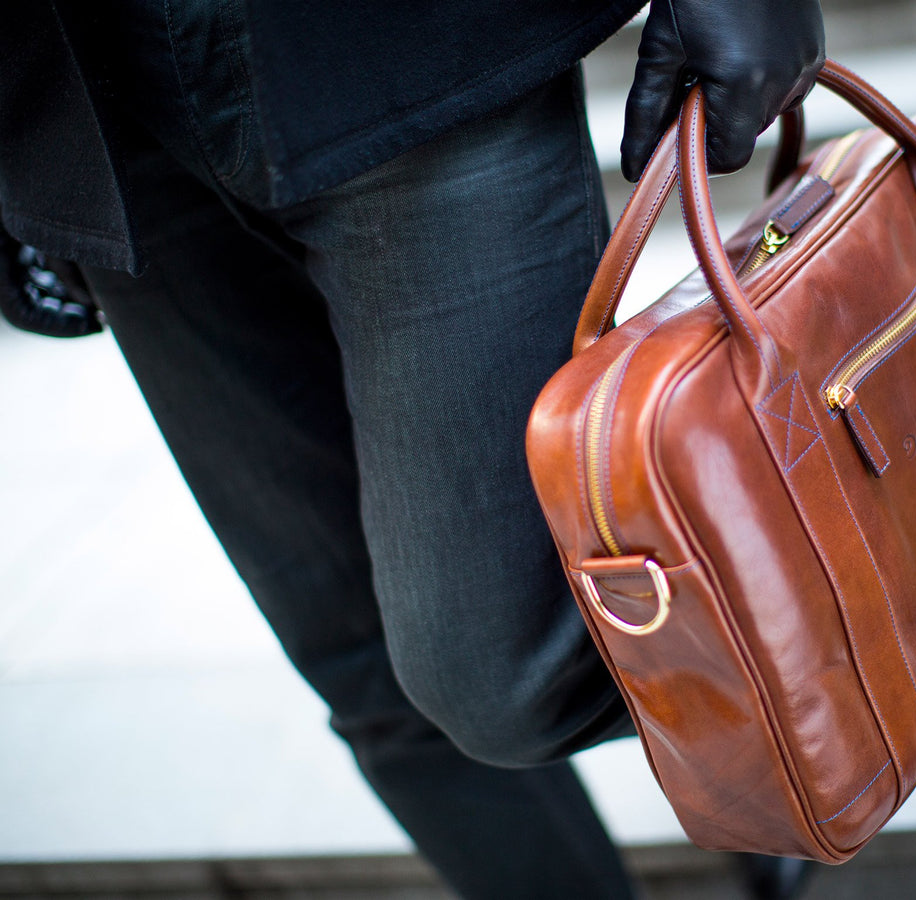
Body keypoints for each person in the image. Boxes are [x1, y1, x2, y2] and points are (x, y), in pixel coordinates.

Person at [0, 2, 824, 897]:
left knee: (496, 678)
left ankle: (793, 723)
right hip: (100, 113)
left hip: (412, 55)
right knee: (363, 663)